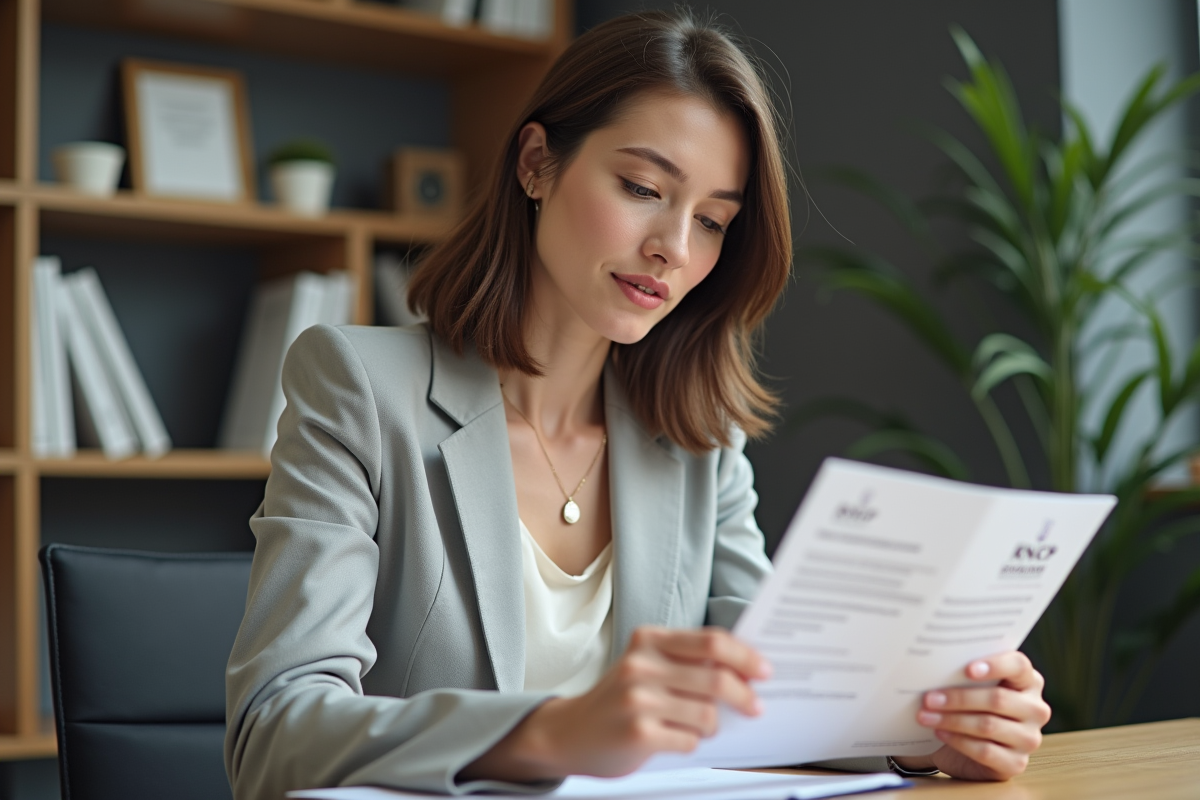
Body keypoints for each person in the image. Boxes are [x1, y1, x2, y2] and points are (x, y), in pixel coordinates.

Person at [224, 10, 1051, 798]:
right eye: (642, 187)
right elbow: (274, 732)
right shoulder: (359, 388)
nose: (675, 248)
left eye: (715, 222)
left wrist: (925, 729)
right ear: (536, 164)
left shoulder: (698, 438)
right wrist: (556, 731)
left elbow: (772, 691)